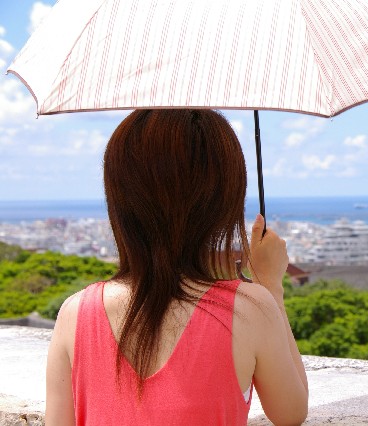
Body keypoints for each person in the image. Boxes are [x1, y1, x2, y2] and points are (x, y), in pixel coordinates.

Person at [45, 109, 309, 425]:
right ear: (223, 198)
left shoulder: (76, 313)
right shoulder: (248, 309)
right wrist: (270, 285)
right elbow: (292, 413)